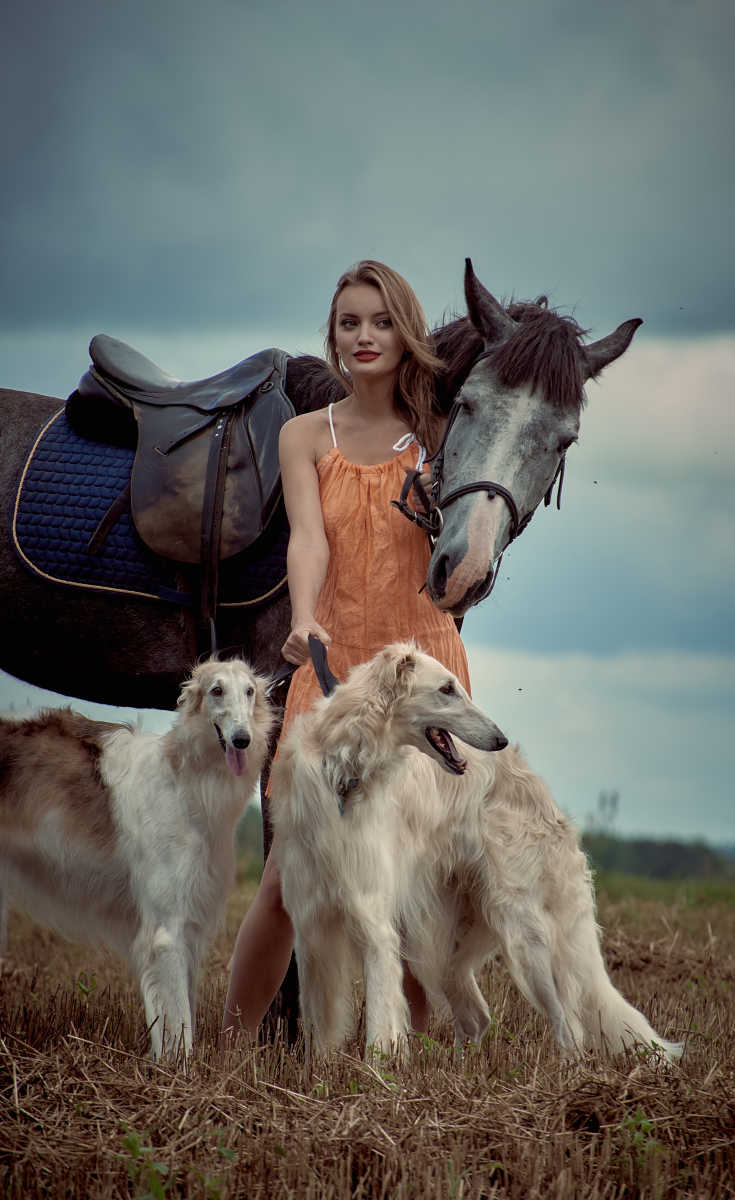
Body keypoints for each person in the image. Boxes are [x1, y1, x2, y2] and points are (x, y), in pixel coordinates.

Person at [221, 260, 470, 1043]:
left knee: (413, 876)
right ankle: (223, 1050)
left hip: (423, 663)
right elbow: (308, 540)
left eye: (381, 321)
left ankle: (402, 1064)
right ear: (331, 336)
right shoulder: (304, 434)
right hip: (333, 674)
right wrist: (302, 619)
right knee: (284, 881)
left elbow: (469, 542)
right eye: (349, 322)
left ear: (407, 333)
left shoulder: (441, 435)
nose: (364, 336)